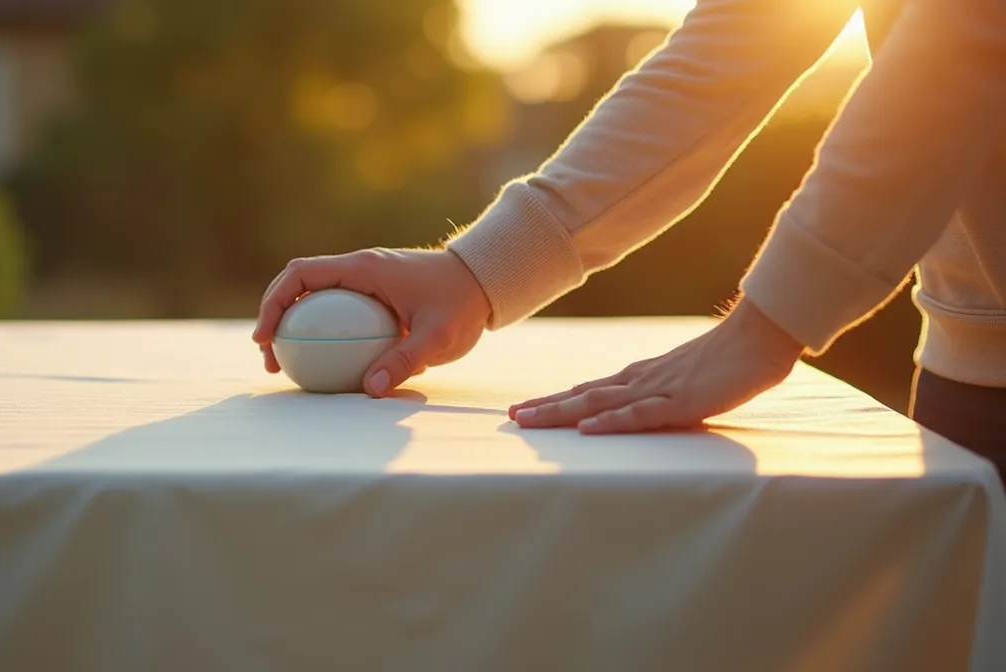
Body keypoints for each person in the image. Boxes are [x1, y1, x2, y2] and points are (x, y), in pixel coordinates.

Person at [252, 0, 1006, 463]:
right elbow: (738, 43)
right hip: (967, 369)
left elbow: (967, 37)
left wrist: (769, 326)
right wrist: (475, 273)